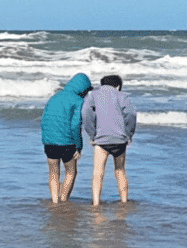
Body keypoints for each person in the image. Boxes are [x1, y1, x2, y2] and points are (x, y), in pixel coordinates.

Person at [82, 75, 137, 206]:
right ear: (117, 86)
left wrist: (92, 134)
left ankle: (96, 202)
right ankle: (124, 201)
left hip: (101, 140)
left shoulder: (93, 95)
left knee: (98, 173)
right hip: (119, 139)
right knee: (120, 170)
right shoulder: (122, 96)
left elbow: (86, 114)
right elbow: (131, 114)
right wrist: (128, 134)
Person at [40, 73, 93, 203]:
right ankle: (63, 200)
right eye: (86, 91)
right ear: (82, 89)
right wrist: (78, 146)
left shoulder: (55, 97)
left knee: (53, 173)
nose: (86, 94)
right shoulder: (78, 101)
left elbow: (44, 119)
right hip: (67, 143)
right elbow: (75, 125)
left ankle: (54, 201)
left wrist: (46, 139)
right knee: (71, 172)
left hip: (49, 141)